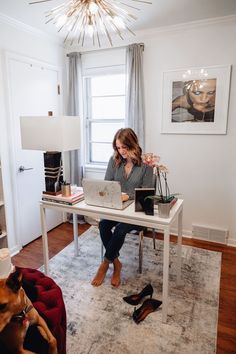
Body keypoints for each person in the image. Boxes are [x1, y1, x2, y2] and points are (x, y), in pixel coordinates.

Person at [91, 128, 153, 288]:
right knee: (103, 225)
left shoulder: (146, 164)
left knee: (120, 229)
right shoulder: (114, 160)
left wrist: (127, 196)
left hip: (136, 213)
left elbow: (147, 195)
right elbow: (106, 185)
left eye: (124, 147)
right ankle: (117, 263)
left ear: (133, 144)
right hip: (116, 208)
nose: (121, 151)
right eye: (118, 147)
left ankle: (105, 264)